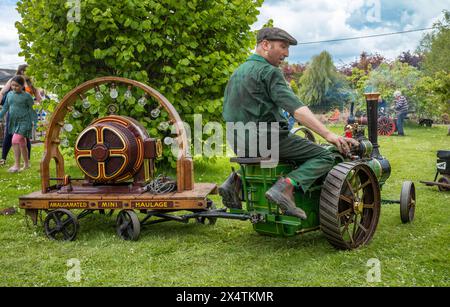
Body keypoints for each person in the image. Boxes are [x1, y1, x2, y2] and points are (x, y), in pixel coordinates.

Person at [219, 27, 358, 219]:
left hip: (237, 140)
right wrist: (329, 135)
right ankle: (285, 188)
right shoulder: (269, 72)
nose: (286, 54)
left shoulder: (238, 71)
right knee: (325, 157)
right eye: (283, 47)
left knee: (279, 155)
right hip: (267, 139)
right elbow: (297, 110)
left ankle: (236, 181)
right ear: (265, 45)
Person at [0, 64, 41, 166]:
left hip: (25, 114)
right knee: (9, 135)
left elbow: (39, 98)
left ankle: (27, 160)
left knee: (25, 137)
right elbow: (2, 92)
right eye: (28, 71)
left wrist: (35, 106)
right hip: (13, 113)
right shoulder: (13, 80)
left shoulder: (31, 83)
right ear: (22, 71)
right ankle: (3, 158)